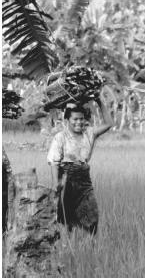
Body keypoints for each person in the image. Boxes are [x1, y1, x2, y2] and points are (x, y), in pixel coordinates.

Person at [47, 95, 113, 235]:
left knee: (92, 215)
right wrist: (55, 183)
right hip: (66, 177)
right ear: (67, 121)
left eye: (82, 119)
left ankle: (92, 246)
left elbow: (108, 124)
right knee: (66, 218)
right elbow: (54, 161)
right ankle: (69, 245)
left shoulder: (89, 133)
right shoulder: (61, 137)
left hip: (84, 179)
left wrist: (100, 101)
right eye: (75, 119)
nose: (79, 122)